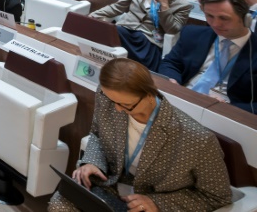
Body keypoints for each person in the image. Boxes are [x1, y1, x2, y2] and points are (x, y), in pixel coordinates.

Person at [47, 58, 231, 212]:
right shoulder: (108, 97)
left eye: (127, 105)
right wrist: (92, 162)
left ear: (150, 95)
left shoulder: (197, 139)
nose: (117, 109)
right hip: (112, 183)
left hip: (155, 198)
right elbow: (97, 134)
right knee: (60, 205)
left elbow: (216, 196)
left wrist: (158, 203)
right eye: (113, 101)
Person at [159, 0, 257, 113]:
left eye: (224, 18)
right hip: (181, 98)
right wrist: (172, 80)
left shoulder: (253, 49)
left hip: (225, 113)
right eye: (210, 16)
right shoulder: (192, 34)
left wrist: (228, 106)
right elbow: (171, 63)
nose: (215, 24)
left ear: (246, 19)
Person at [91, 0, 192, 70]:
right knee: (109, 31)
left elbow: (172, 30)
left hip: (149, 38)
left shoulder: (182, 4)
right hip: (125, 29)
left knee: (142, 67)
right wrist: (93, 15)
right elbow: (117, 8)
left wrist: (165, 7)